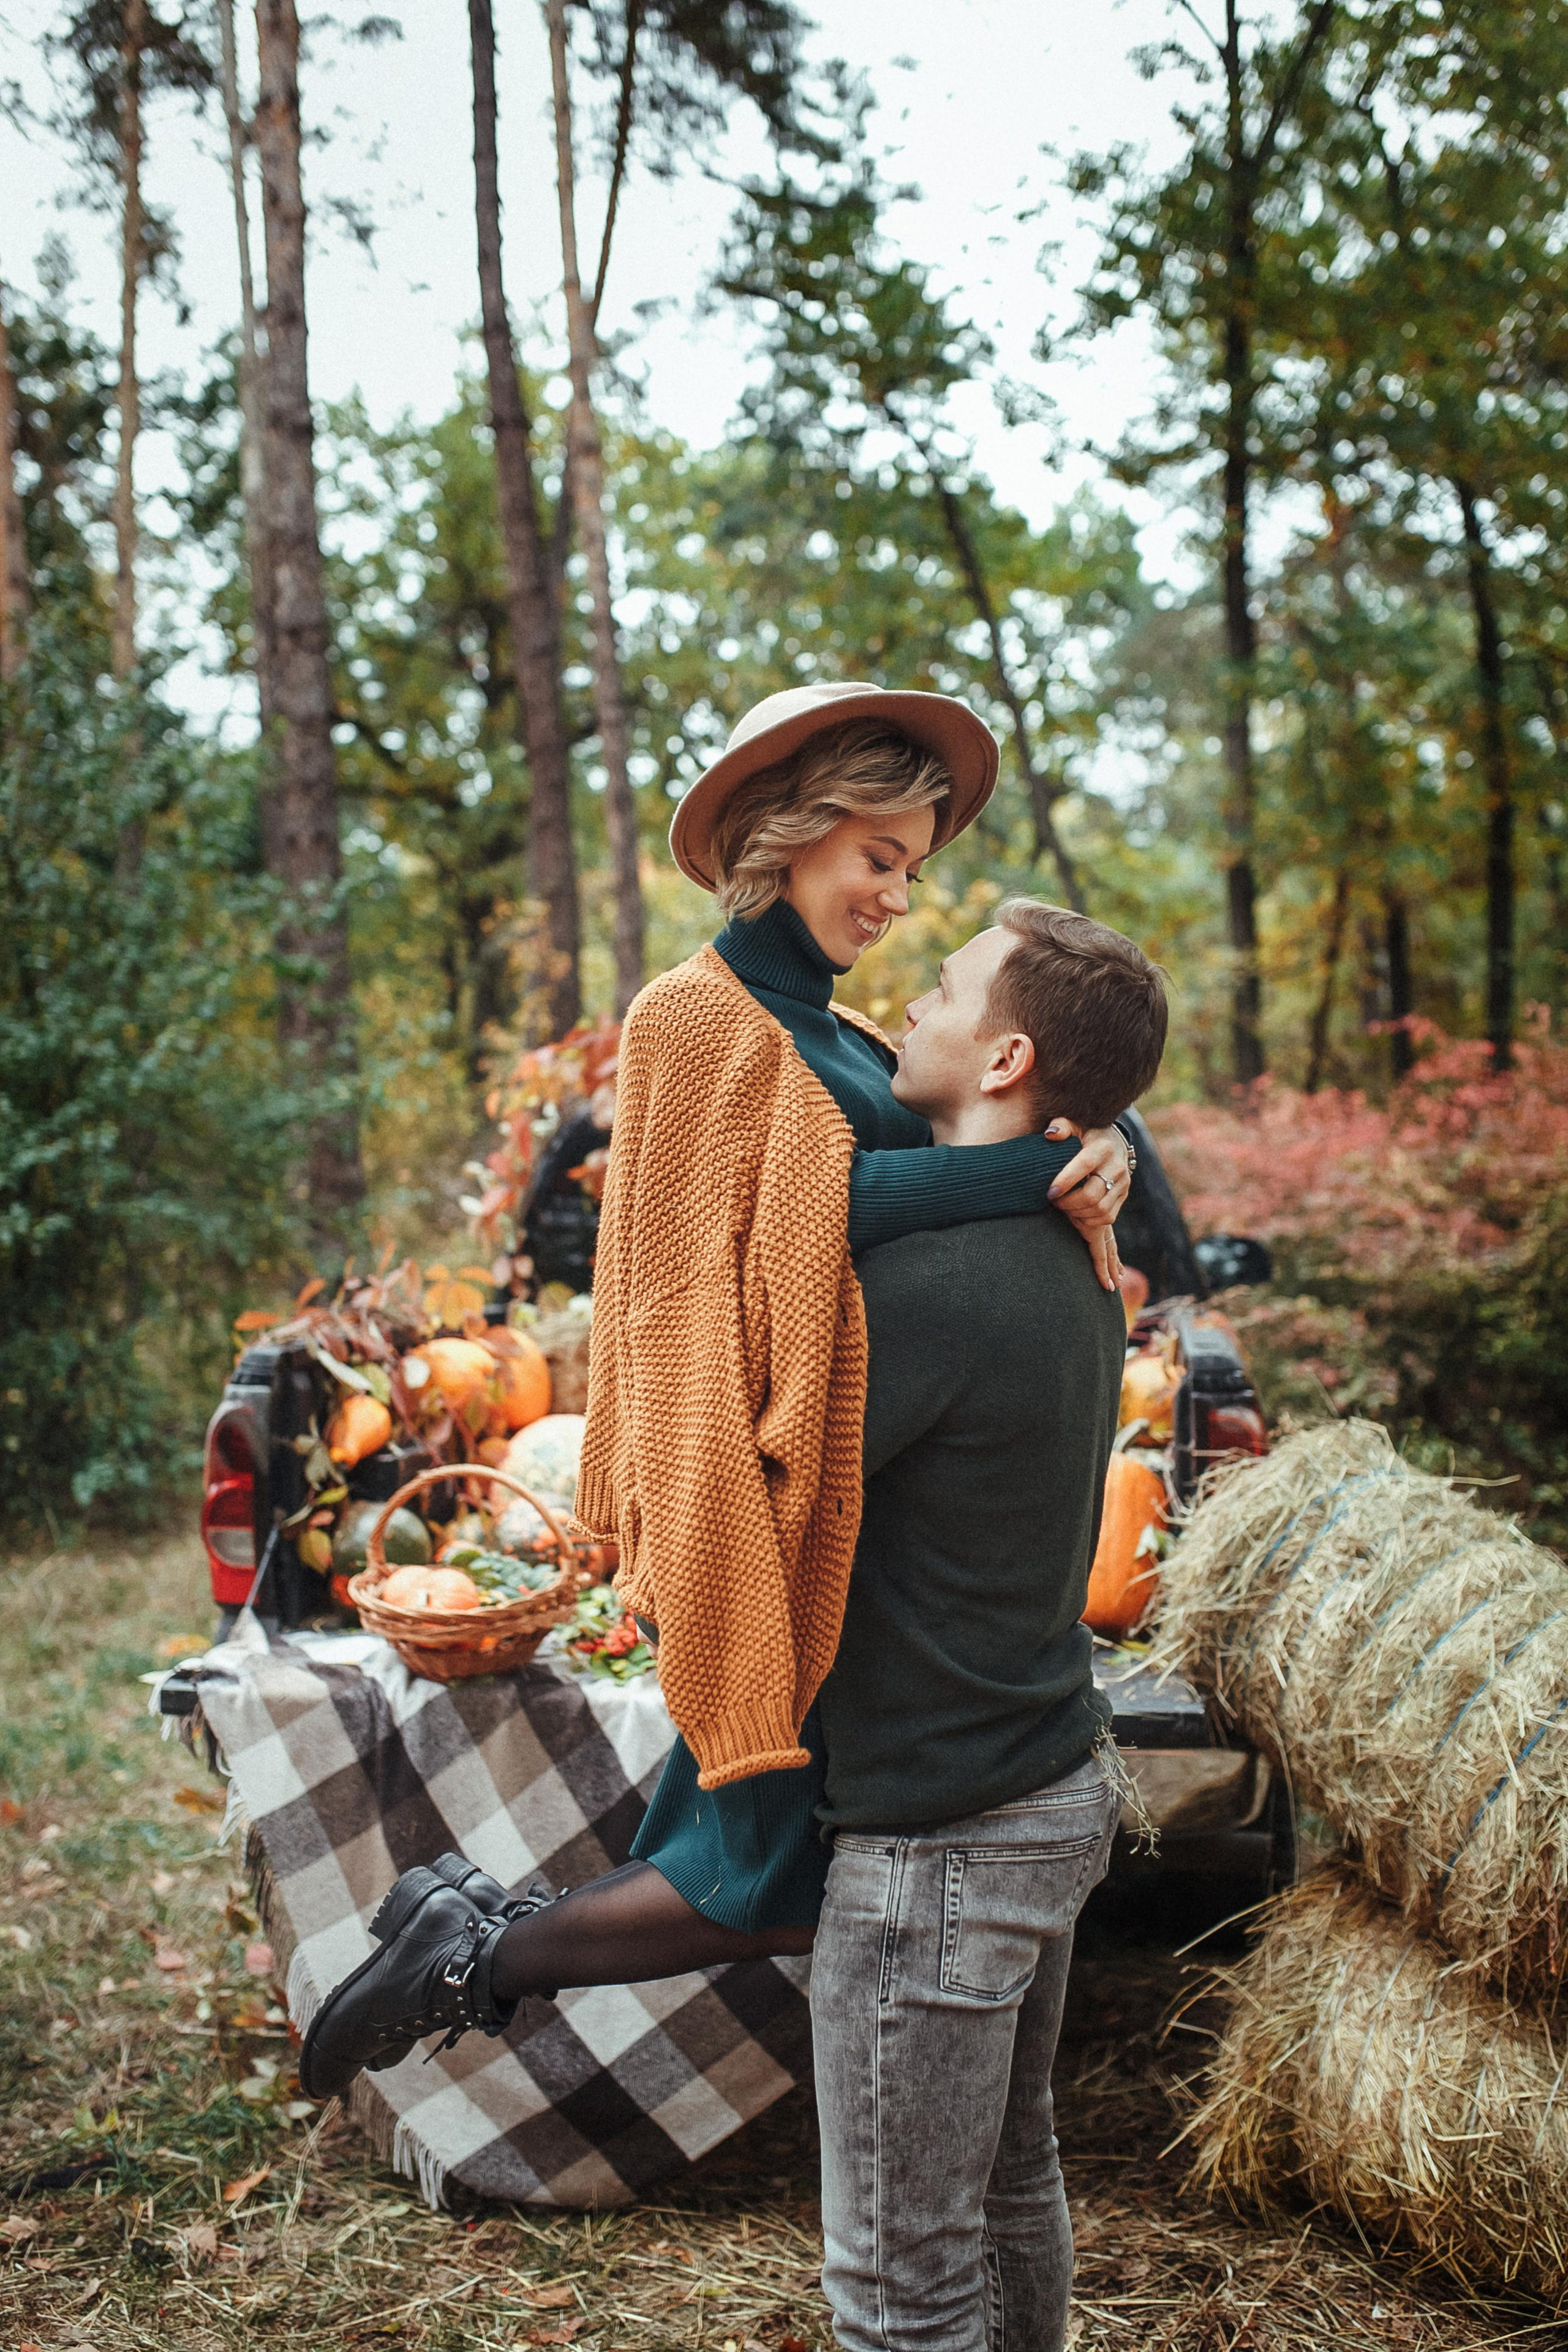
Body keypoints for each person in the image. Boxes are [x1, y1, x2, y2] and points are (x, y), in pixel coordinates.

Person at [300, 681, 1131, 2100]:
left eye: (911, 871)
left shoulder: (845, 1036)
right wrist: (1035, 1171)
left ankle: (468, 1935)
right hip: (741, 1481)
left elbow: (925, 1171)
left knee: (770, 1873)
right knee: (763, 1876)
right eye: (879, 858)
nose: (897, 900)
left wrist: (1095, 1139)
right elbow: (768, 1241)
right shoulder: (693, 1015)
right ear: (794, 831)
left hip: (843, 1533)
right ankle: (472, 1956)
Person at [812, 898, 1168, 2352]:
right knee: (1010, 2184)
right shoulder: (1073, 1240)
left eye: (946, 988)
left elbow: (769, 1489)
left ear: (1008, 1056)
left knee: (896, 2289)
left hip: (942, 1836)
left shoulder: (934, 1285)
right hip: (1041, 1776)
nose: (910, 999)